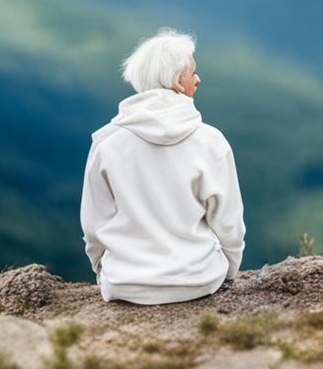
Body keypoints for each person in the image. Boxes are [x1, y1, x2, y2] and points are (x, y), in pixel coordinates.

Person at [80, 28, 245, 305]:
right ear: (177, 82)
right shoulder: (211, 141)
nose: (198, 79)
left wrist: (103, 270)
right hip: (199, 281)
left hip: (125, 285)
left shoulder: (106, 143)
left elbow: (94, 226)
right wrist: (228, 273)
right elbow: (229, 225)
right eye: (192, 72)